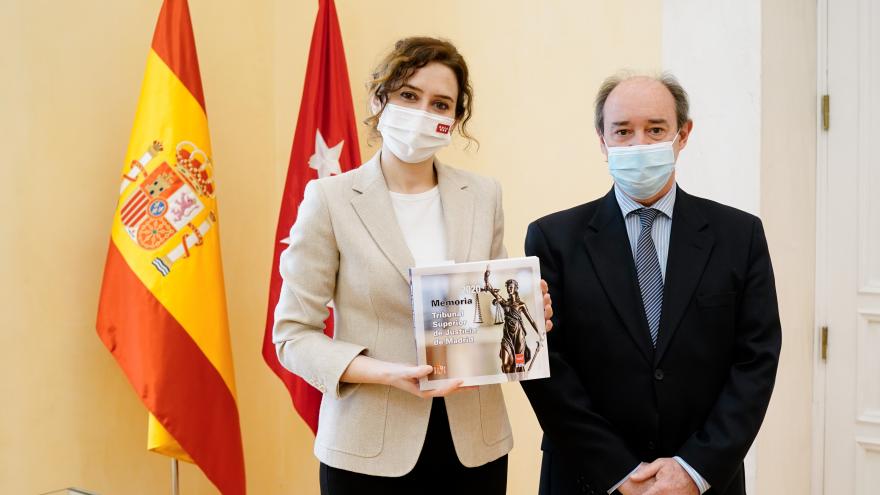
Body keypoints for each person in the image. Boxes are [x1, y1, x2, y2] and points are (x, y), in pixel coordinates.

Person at [273, 37, 552, 494]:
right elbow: (292, 336)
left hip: (473, 444)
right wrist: (387, 373)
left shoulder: (484, 196)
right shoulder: (330, 200)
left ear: (455, 121)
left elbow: (491, 309)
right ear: (379, 100)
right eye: (408, 95)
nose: (424, 112)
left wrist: (526, 310)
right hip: (368, 447)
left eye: (441, 104)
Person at [521, 73, 781, 495]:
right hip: (586, 477)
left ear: (683, 135)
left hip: (703, 479)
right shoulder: (552, 238)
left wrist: (695, 468)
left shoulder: (739, 235)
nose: (639, 144)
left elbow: (756, 361)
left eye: (655, 129)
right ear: (602, 140)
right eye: (622, 131)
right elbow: (546, 367)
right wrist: (619, 471)